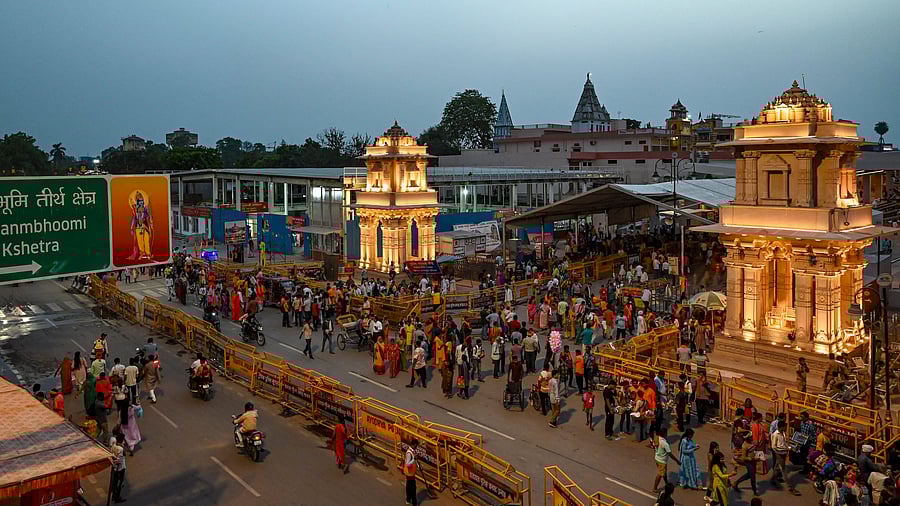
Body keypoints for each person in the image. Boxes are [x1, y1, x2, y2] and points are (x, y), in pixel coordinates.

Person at [653, 426, 680, 492]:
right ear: (665, 434)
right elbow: (670, 454)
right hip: (662, 461)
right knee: (660, 474)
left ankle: (666, 483)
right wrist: (677, 461)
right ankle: (655, 488)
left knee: (663, 472)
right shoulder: (665, 444)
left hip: (657, 458)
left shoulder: (657, 438)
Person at [733, 431, 759, 496]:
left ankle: (736, 483)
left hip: (754, 461)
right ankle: (755, 491)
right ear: (747, 438)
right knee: (752, 477)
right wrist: (750, 458)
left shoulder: (752, 442)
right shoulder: (744, 446)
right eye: (750, 437)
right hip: (749, 463)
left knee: (749, 475)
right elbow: (744, 457)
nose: (752, 437)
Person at [110, 433, 127, 503]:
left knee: (114, 482)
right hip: (120, 468)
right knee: (119, 483)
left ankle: (114, 495)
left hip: (114, 467)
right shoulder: (121, 449)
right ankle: (117, 497)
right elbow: (124, 454)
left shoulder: (113, 446)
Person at [404, 439, 419, 506]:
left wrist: (417, 465)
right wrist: (414, 459)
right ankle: (414, 503)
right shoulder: (409, 453)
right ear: (414, 445)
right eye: (416, 446)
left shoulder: (413, 451)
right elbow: (408, 464)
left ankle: (408, 499)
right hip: (409, 473)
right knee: (413, 488)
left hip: (411, 472)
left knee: (409, 486)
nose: (417, 447)